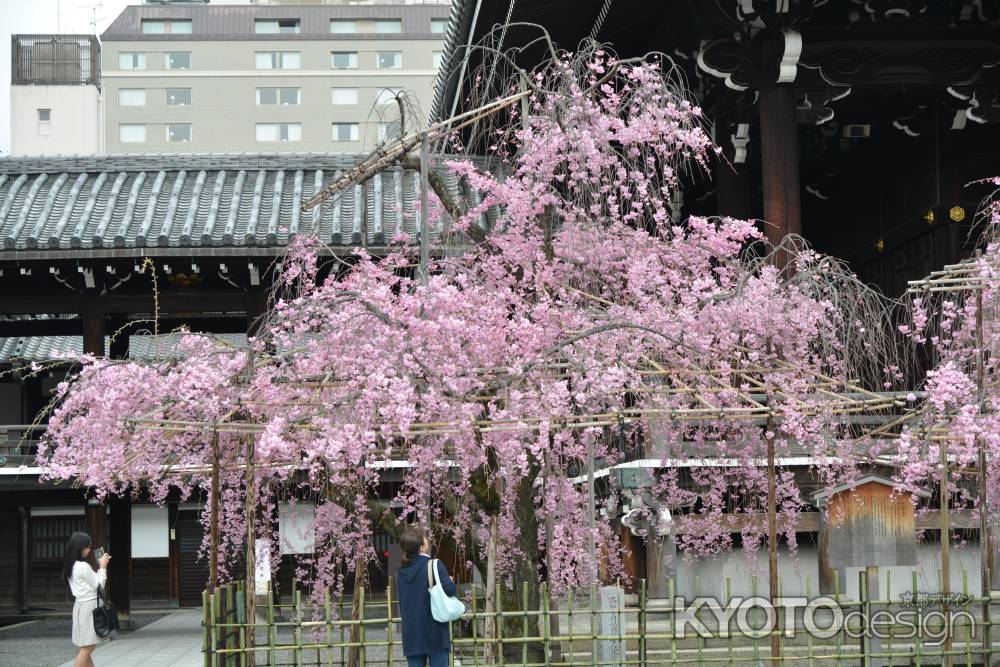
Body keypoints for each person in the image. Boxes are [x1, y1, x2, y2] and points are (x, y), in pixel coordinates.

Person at [395, 526, 457, 667]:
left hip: (411, 632)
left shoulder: (400, 572)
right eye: (425, 538)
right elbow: (451, 591)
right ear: (422, 547)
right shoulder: (434, 565)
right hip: (435, 631)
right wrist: (450, 581)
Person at [62, 531, 111, 667]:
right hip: (89, 607)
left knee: (86, 647)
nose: (89, 550)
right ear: (80, 547)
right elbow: (99, 585)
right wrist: (103, 567)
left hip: (80, 606)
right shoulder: (82, 566)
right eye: (87, 547)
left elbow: (92, 583)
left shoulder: (71, 565)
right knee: (88, 648)